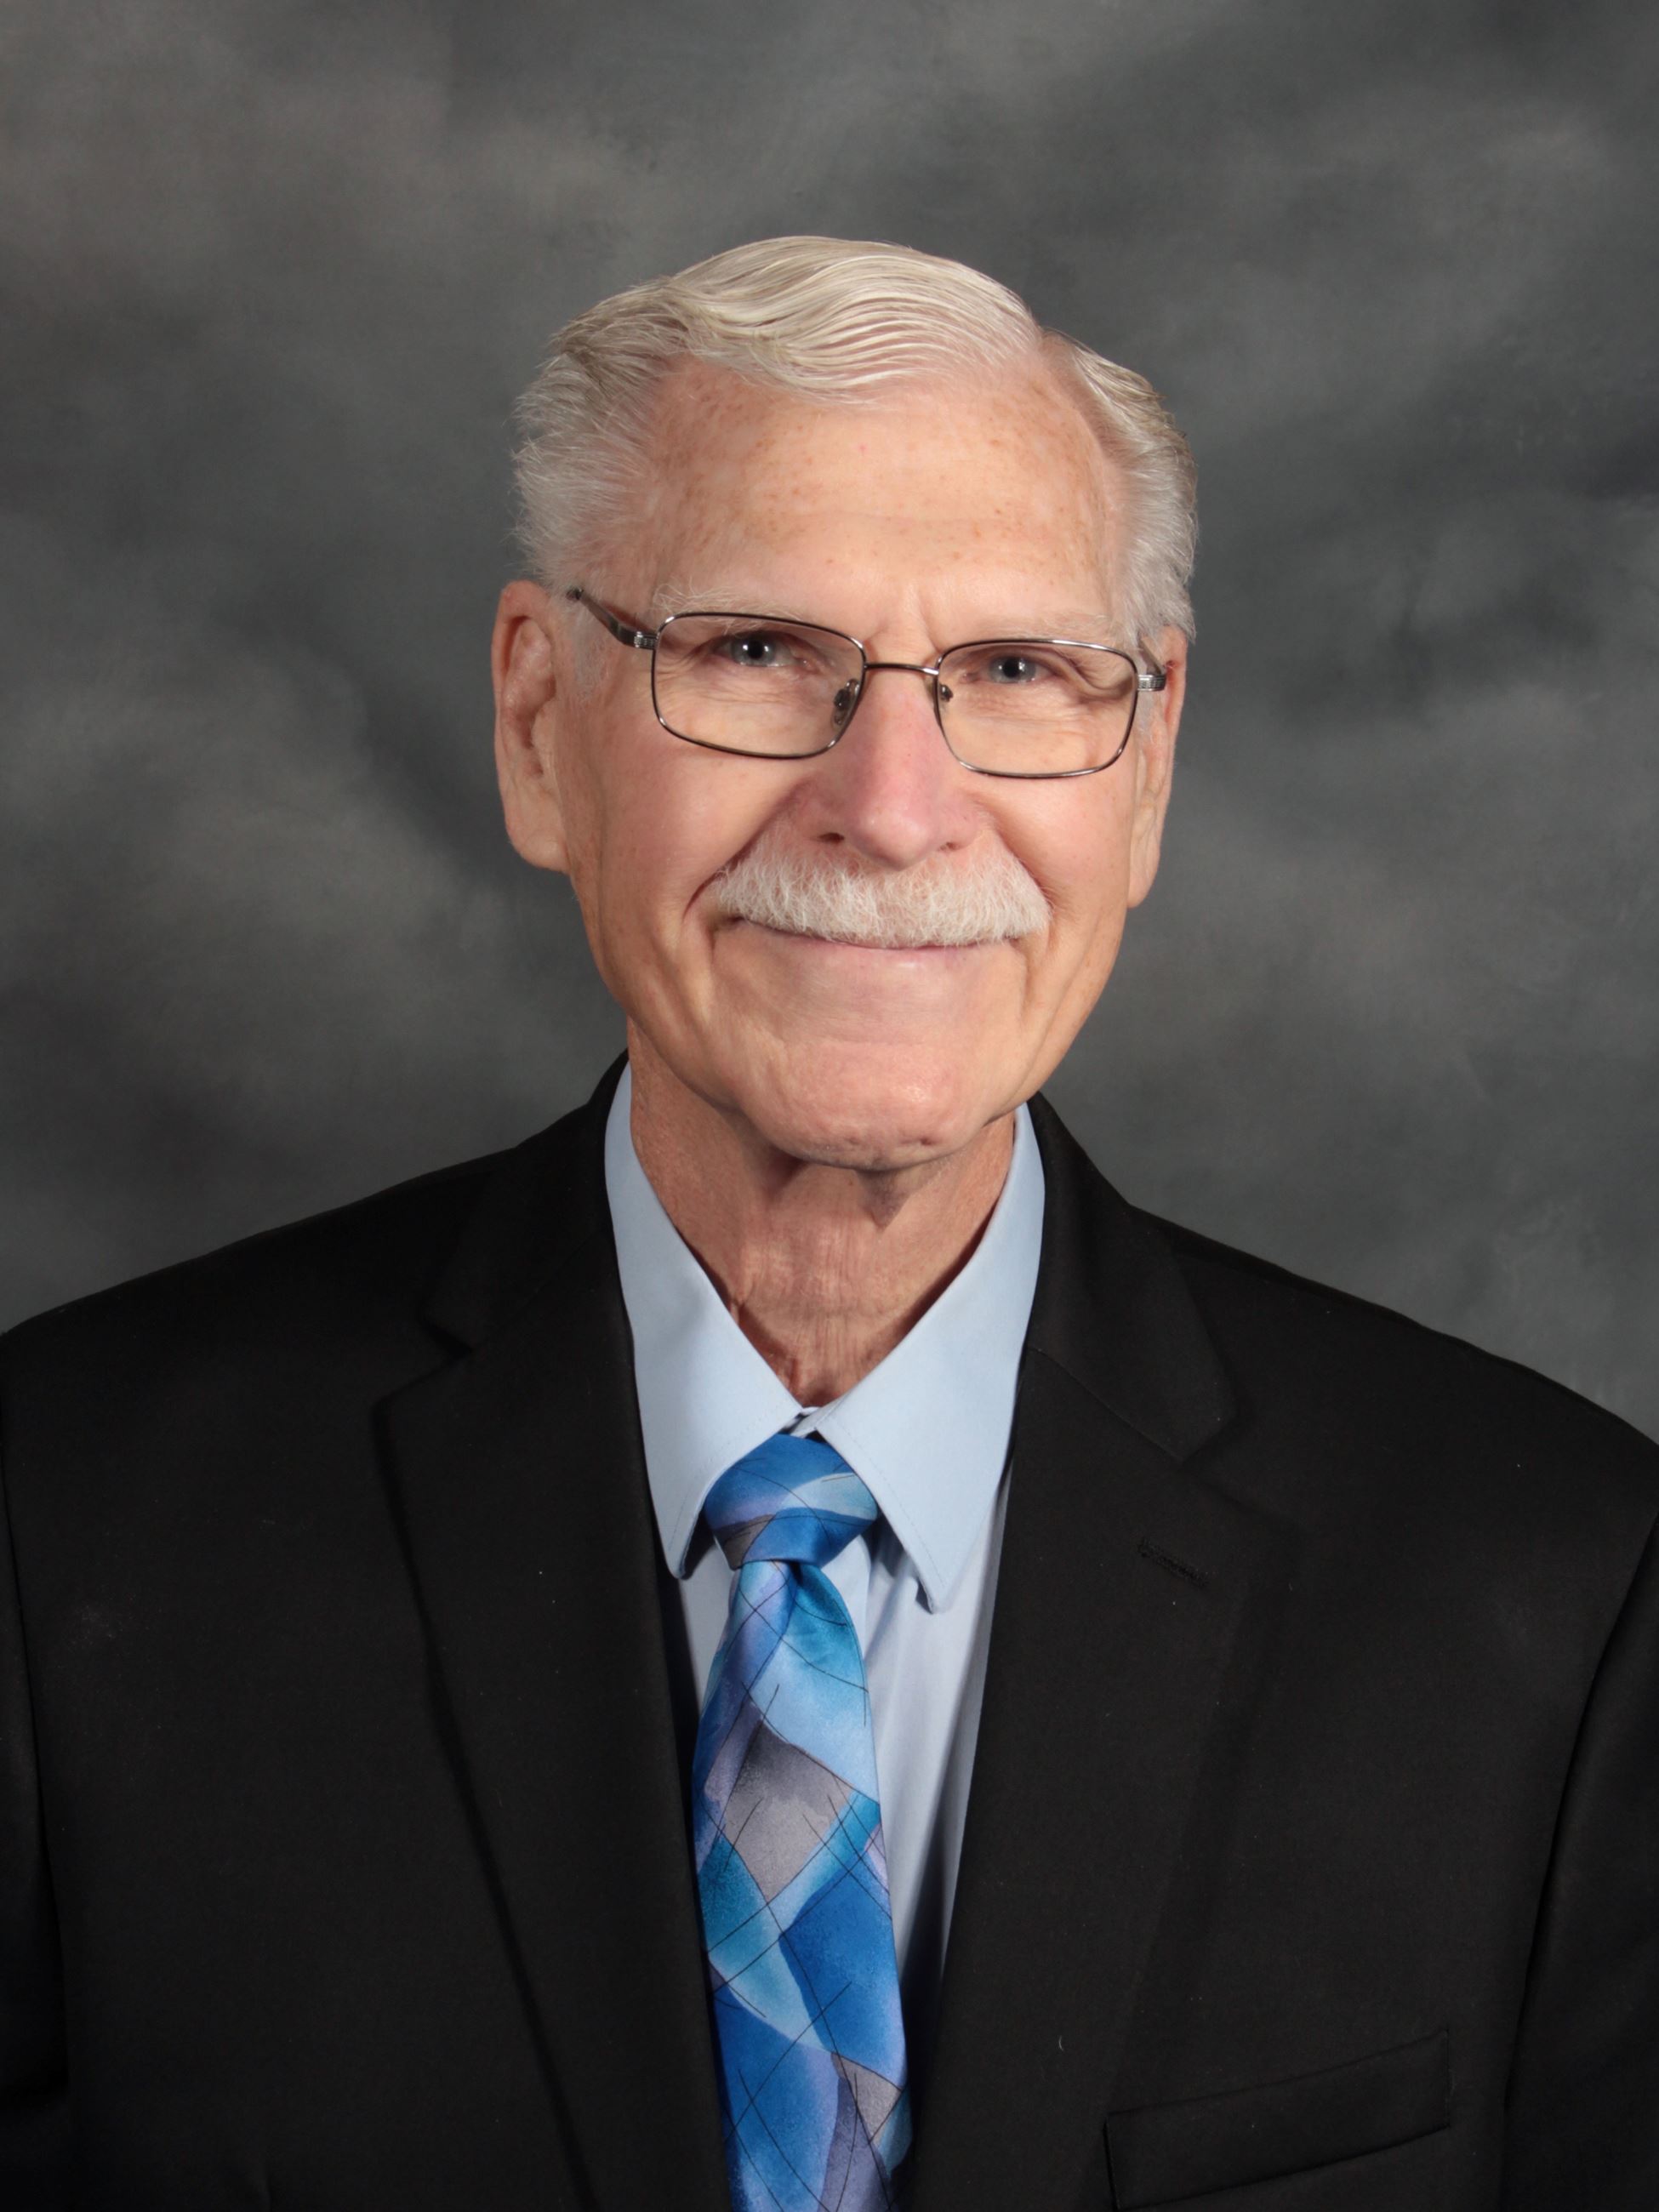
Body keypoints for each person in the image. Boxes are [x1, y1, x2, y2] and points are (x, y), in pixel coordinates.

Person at [1, 236, 1654, 2212]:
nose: (892, 803)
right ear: (539, 724)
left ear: (1148, 763)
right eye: (757, 652)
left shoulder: (1560, 1598)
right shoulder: (58, 1527)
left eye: (1021, 673)